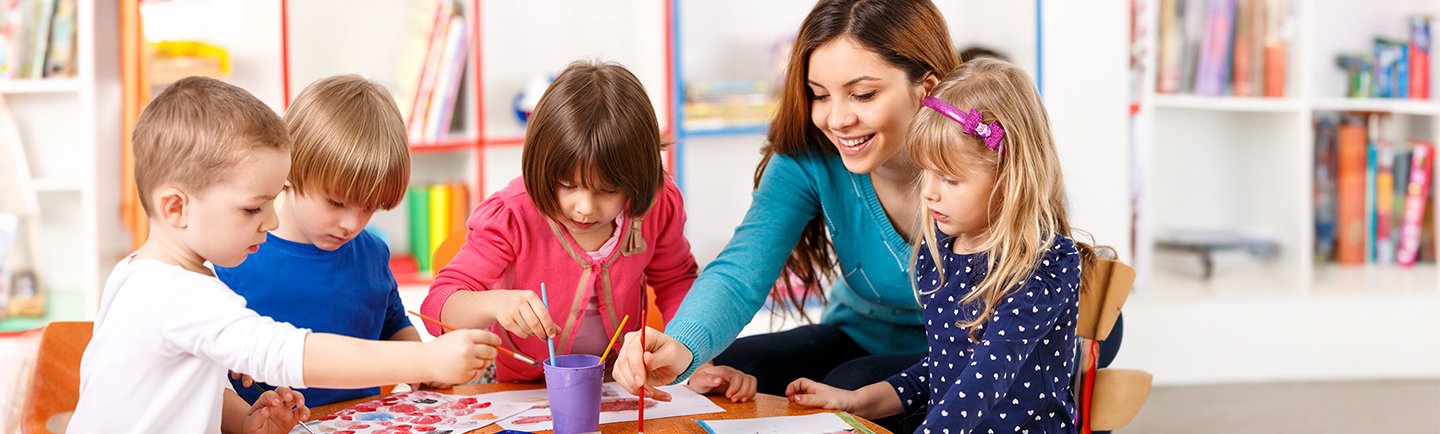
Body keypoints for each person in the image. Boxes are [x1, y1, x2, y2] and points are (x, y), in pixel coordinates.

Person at [71, 77, 499, 434]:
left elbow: (190, 389)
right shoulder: (179, 294)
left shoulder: (143, 275)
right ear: (176, 208)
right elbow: (286, 353)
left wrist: (248, 420)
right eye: (254, 208)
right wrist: (426, 357)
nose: (272, 222)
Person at [614, 0, 959, 407]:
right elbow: (742, 270)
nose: (837, 119)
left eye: (863, 95)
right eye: (819, 95)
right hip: (856, 334)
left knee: (851, 381)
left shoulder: (988, 159)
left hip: (967, 351)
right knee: (729, 368)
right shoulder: (811, 156)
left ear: (927, 88)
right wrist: (681, 348)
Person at [786, 57, 1095, 434]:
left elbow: (984, 380)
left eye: (949, 178)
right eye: (925, 173)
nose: (928, 193)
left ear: (1009, 174)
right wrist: (859, 400)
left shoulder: (1046, 264)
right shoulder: (941, 255)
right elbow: (943, 367)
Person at [421, 60, 756, 401]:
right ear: (540, 166)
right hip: (517, 385)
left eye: (609, 190)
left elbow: (677, 282)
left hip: (613, 386)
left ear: (637, 181)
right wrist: (497, 303)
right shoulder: (512, 215)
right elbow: (437, 309)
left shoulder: (656, 205)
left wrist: (696, 364)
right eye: (566, 185)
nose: (584, 207)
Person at [216, 74, 439, 407]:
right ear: (288, 168)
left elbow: (393, 326)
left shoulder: (373, 253)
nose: (351, 224)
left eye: (369, 207)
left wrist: (427, 363)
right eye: (335, 202)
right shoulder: (234, 258)